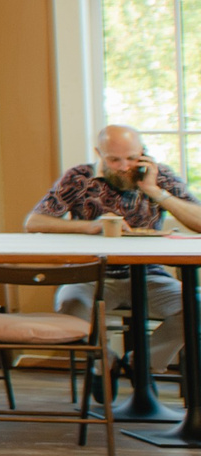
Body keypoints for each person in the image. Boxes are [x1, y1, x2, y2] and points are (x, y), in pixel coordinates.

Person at [23, 123, 201, 370]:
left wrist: (155, 191)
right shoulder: (79, 177)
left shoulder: (160, 177)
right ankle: (105, 365)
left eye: (131, 157)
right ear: (99, 153)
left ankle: (141, 365)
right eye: (114, 159)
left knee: (196, 307)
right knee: (70, 306)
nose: (125, 166)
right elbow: (34, 222)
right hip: (90, 274)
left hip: (150, 275)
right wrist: (90, 227)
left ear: (144, 152)